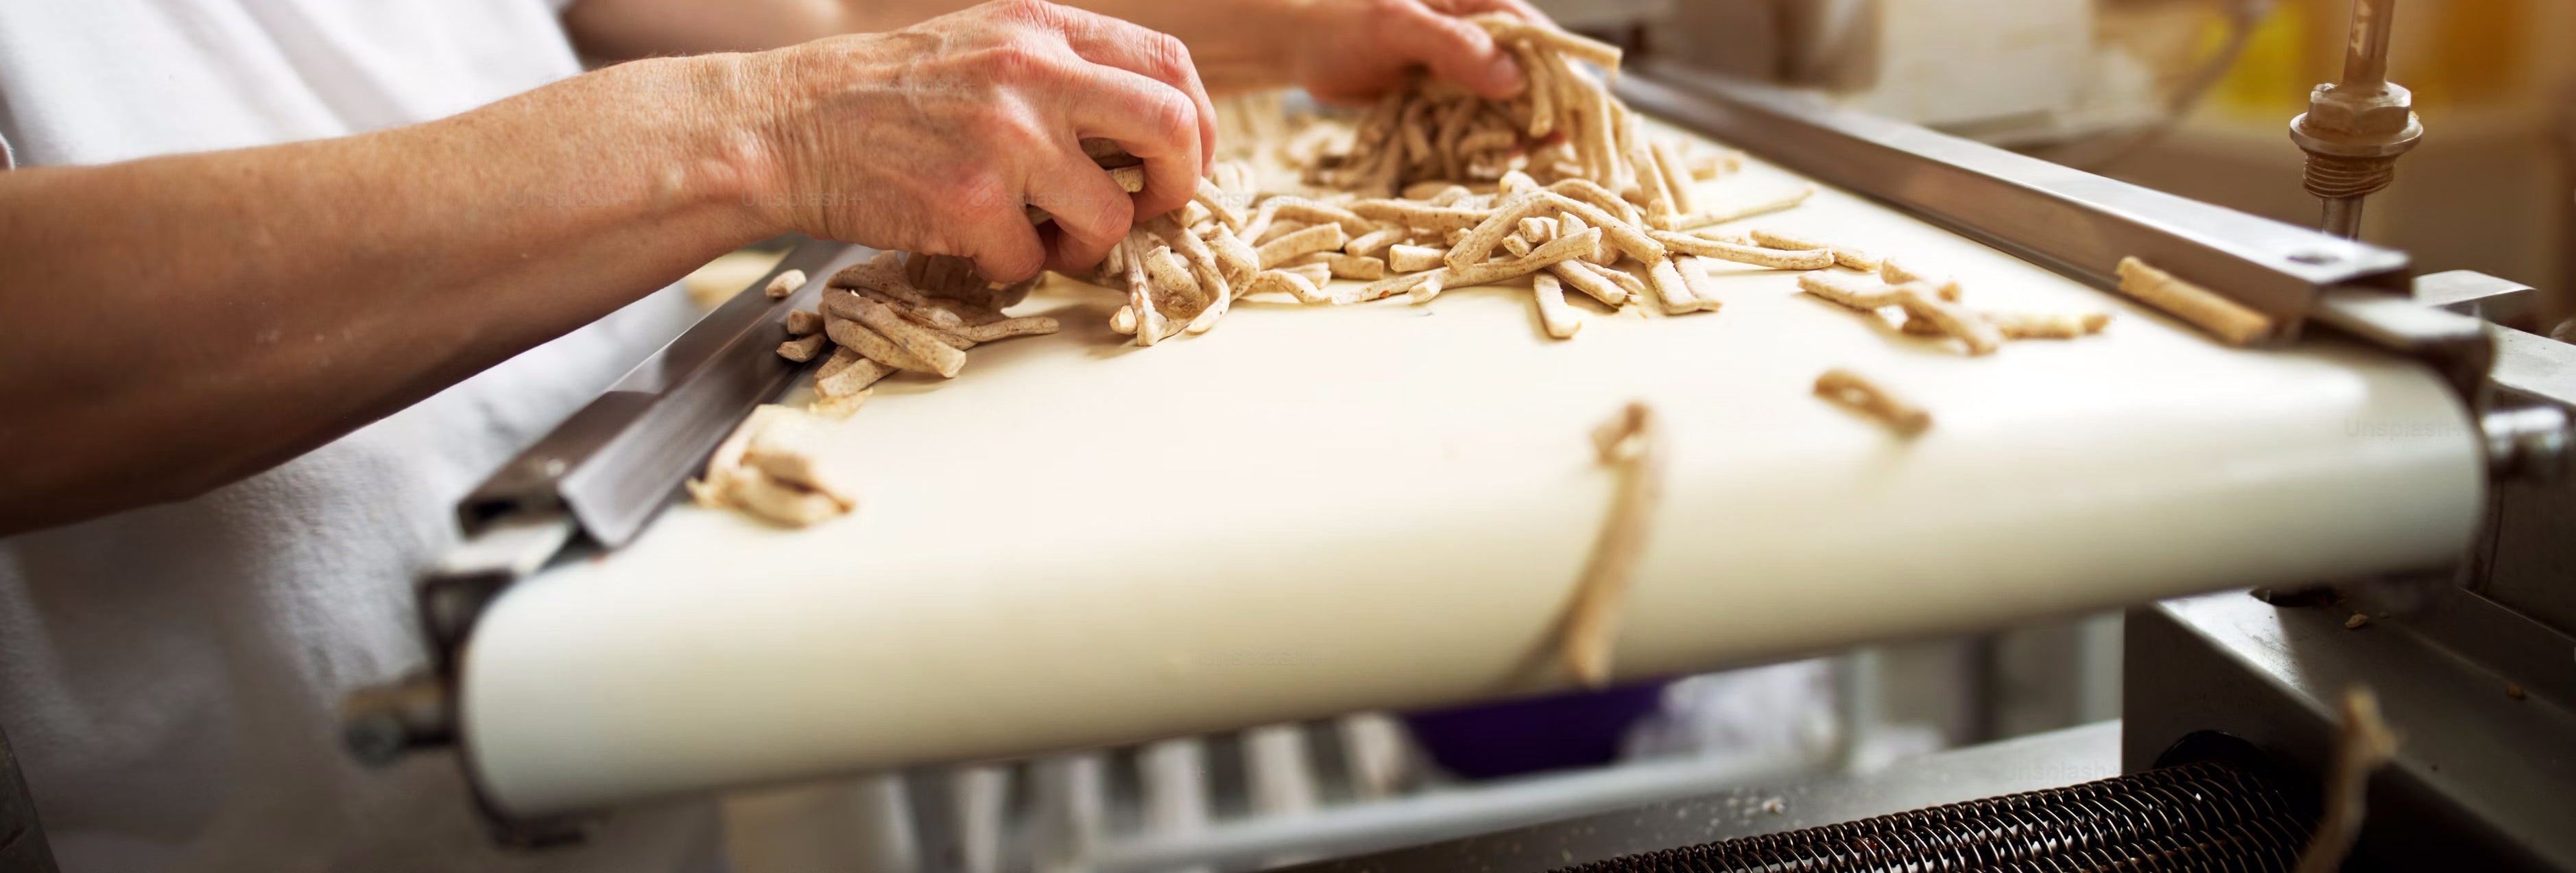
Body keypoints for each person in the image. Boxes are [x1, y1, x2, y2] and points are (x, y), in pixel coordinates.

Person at [0, 0, 1540, 868]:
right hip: (316, 815)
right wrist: (759, 132)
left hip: (683, 682)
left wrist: (1274, 26)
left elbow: (818, 20)